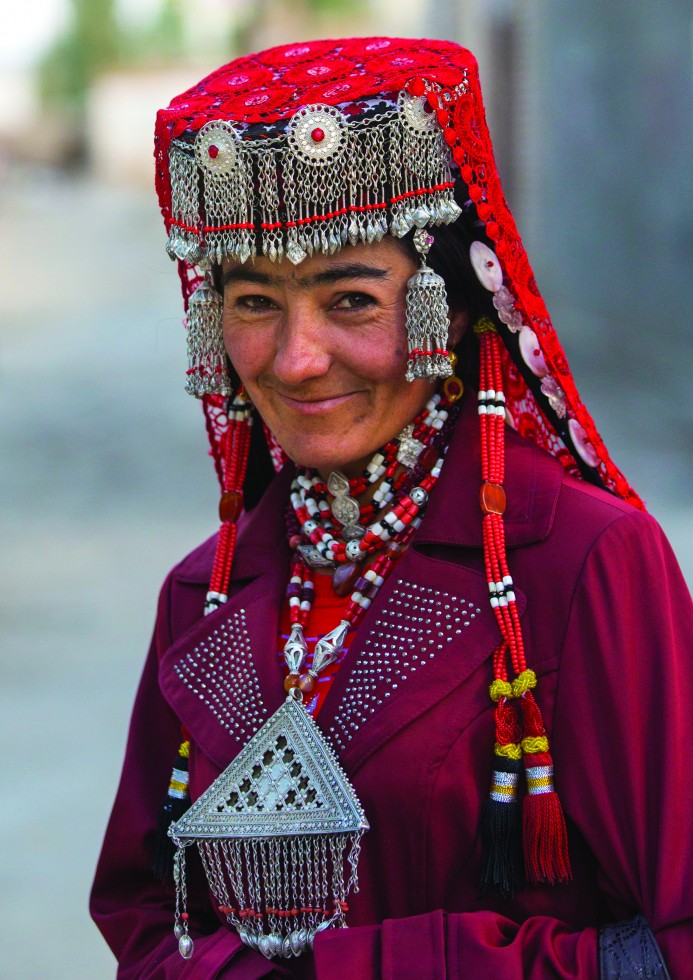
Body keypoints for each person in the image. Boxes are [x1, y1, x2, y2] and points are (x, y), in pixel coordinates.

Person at [90, 37, 693, 977]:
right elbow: (140, 913)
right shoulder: (204, 595)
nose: (295, 358)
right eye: (255, 301)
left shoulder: (580, 563)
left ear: (448, 314)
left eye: (351, 300)